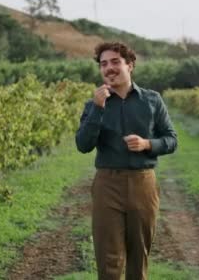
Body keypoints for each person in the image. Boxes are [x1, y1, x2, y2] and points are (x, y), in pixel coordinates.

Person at [75, 41, 178, 280]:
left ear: (129, 65)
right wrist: (98, 110)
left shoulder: (152, 100)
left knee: (138, 256)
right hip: (107, 185)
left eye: (115, 62)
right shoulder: (93, 104)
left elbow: (172, 140)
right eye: (103, 64)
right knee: (108, 258)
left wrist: (147, 144)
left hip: (144, 184)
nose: (109, 68)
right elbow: (83, 145)